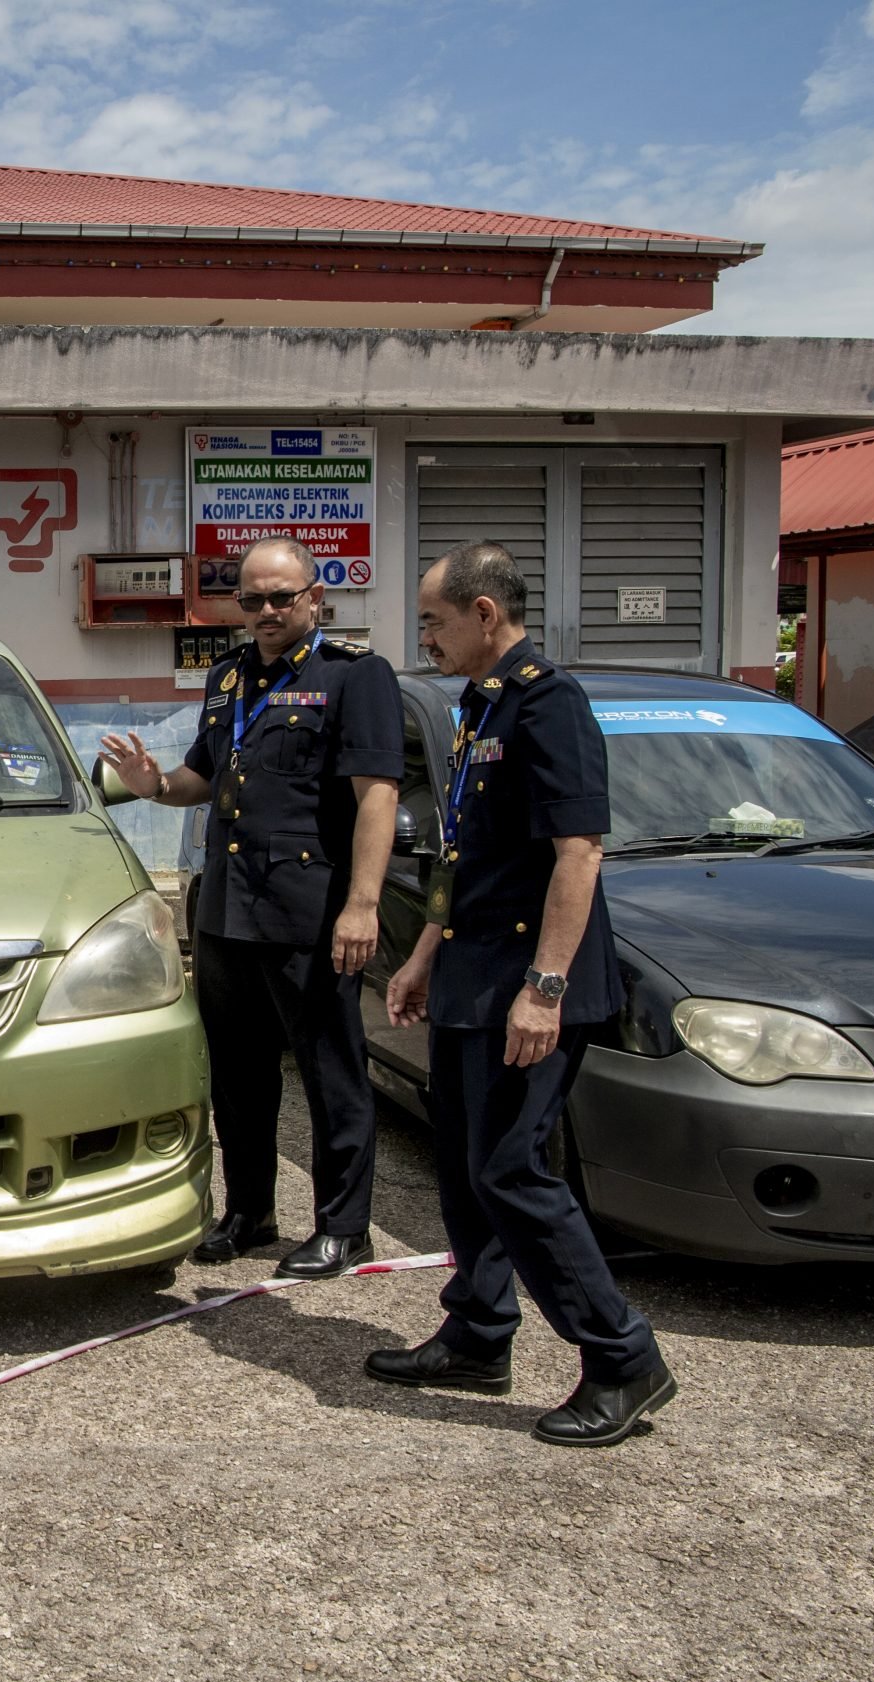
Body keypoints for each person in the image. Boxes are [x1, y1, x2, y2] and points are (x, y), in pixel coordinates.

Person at [373, 540, 676, 1447]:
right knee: (467, 1166)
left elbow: (577, 852)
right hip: (471, 975)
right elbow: (462, 857)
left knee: (513, 1166)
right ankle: (478, 1331)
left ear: (485, 615)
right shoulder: (477, 706)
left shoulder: (549, 702)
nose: (422, 634)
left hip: (528, 984)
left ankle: (623, 1357)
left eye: (432, 619)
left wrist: (544, 989)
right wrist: (426, 950)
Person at [99, 535, 400, 1279]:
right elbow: (200, 775)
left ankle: (344, 1226)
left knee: (332, 1071)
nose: (265, 611)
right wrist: (152, 783)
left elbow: (377, 799)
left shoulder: (354, 678)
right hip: (229, 907)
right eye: (252, 599)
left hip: (310, 909)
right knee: (236, 1072)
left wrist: (363, 905)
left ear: (314, 597)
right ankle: (250, 1210)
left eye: (280, 597)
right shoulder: (230, 676)